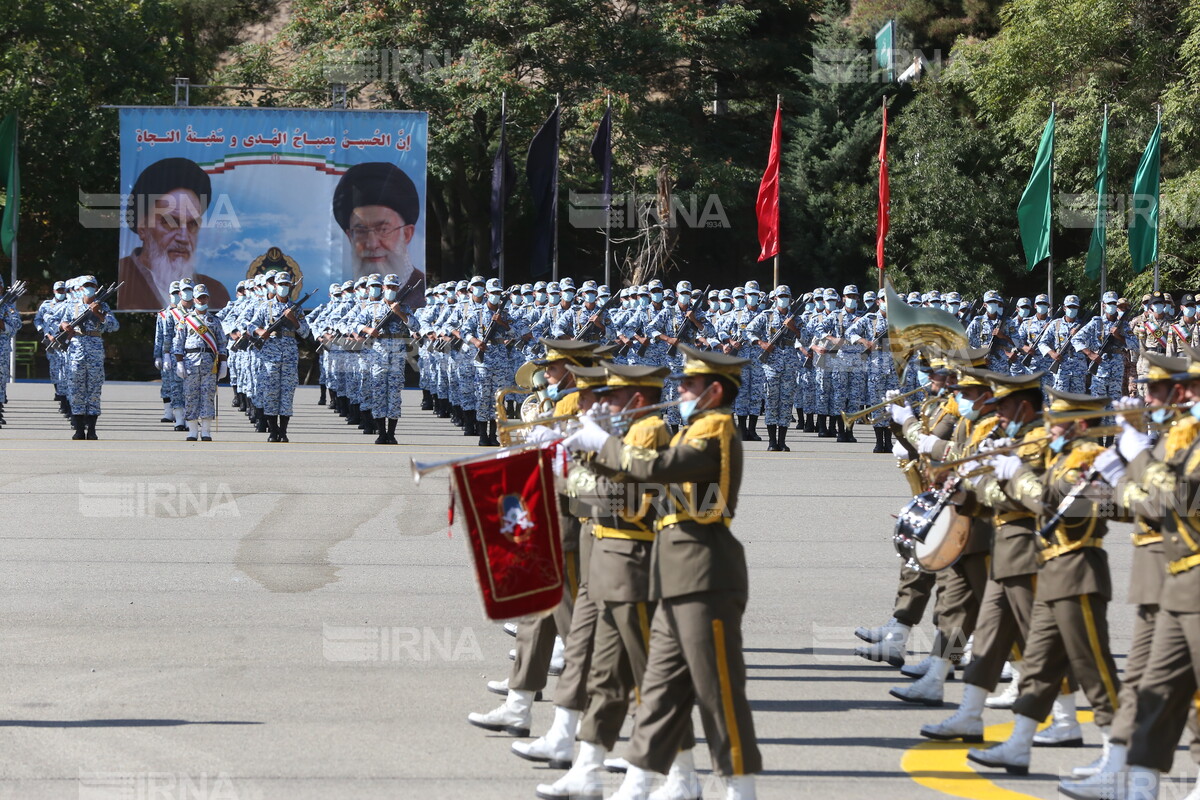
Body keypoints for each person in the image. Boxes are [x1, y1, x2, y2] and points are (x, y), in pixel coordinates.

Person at [563, 343, 761, 800]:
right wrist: (583, 459)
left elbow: (661, 468)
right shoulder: (692, 428)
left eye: (689, 384)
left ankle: (739, 787)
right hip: (670, 574)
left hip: (704, 572)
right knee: (659, 688)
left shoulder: (714, 429)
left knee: (717, 689)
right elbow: (637, 489)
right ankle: (645, 780)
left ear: (713, 391)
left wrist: (603, 445)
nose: (680, 391)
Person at [967, 389, 1121, 777]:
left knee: (1094, 668)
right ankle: (1019, 745)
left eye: (1059, 421)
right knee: (1037, 666)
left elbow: (1055, 507)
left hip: (1077, 571)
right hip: (1052, 570)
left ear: (1080, 425)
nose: (1050, 426)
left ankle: (1117, 756)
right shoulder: (1064, 457)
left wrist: (1016, 473)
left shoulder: (1084, 459)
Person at [119, 157, 229, 310]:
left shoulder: (216, 293)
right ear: (143, 226)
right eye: (170, 222)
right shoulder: (121, 282)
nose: (183, 238)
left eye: (192, 225)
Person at [332, 161, 425, 306]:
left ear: (407, 234)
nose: (372, 244)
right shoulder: (350, 299)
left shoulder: (421, 295)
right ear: (350, 236)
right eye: (361, 230)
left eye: (383, 230)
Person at [246, 271, 309, 442]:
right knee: (271, 393)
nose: (283, 287)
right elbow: (250, 325)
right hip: (270, 355)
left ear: (290, 287)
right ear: (275, 286)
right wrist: (261, 331)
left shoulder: (296, 308)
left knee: (287, 393)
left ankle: (283, 431)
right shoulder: (265, 306)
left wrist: (293, 320)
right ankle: (273, 431)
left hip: (289, 354)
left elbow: (305, 332)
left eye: (286, 285)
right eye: (280, 284)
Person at [54, 275, 119, 440]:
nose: (89, 288)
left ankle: (92, 429)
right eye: (86, 285)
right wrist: (64, 326)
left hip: (95, 350)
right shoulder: (72, 306)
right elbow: (60, 322)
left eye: (92, 285)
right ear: (81, 288)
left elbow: (114, 326)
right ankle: (78, 429)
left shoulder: (103, 305)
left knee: (94, 390)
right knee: (76, 389)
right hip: (76, 350)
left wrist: (98, 314)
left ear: (96, 288)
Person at [172, 284, 228, 441]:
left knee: (208, 395)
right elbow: (178, 343)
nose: (202, 300)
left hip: (209, 363)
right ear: (194, 299)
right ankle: (192, 430)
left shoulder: (214, 320)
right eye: (199, 297)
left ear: (208, 298)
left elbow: (222, 344)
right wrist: (179, 362)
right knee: (190, 395)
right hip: (190, 361)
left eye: (204, 297)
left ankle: (206, 431)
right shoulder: (186, 320)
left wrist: (223, 363)